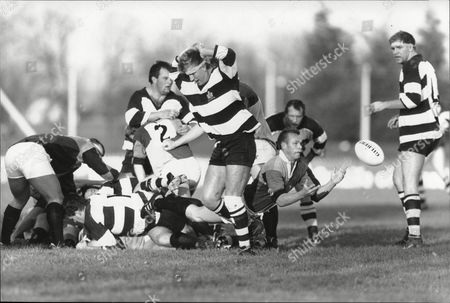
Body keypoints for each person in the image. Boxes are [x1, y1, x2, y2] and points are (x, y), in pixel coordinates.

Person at [164, 43, 260, 254]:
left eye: (194, 72)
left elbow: (231, 54)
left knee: (233, 198)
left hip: (241, 139)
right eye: (187, 74)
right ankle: (248, 222)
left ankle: (246, 247)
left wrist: (205, 49)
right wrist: (176, 142)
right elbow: (173, 70)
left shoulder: (224, 74)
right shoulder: (187, 83)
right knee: (209, 199)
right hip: (221, 144)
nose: (192, 78)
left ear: (205, 65)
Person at [368, 31, 441, 248]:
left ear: (410, 46)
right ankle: (411, 230)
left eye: (399, 47)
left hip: (420, 132)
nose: (394, 52)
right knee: (398, 179)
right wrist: (401, 118)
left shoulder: (410, 66)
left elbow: (411, 99)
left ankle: (416, 238)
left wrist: (382, 105)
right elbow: (424, 100)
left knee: (409, 182)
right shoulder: (423, 64)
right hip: (422, 129)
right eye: (392, 48)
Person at [1, 134, 117, 247]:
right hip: (32, 151)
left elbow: (66, 186)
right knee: (56, 198)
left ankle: (4, 241)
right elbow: (106, 173)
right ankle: (57, 244)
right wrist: (121, 178)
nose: (97, 157)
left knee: (20, 199)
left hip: (13, 151)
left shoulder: (65, 156)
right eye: (97, 153)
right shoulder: (86, 144)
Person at [244, 129, 346, 248]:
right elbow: (280, 201)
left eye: (301, 143)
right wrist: (302, 193)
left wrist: (333, 182)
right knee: (237, 239)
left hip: (260, 212)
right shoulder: (274, 166)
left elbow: (315, 195)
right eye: (295, 143)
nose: (300, 147)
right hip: (243, 208)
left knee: (260, 244)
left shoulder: (301, 166)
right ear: (283, 145)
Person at [265, 99, 328, 247]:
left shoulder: (310, 126)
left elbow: (322, 139)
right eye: (291, 116)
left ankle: (313, 234)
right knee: (270, 199)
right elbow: (257, 137)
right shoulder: (272, 123)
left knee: (309, 194)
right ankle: (268, 237)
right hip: (273, 165)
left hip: (296, 164)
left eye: (298, 117)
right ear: (285, 114)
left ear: (303, 116)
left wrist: (308, 158)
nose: (294, 120)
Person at [120, 61, 182, 178]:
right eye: (165, 78)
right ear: (154, 79)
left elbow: (194, 121)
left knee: (171, 189)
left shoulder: (177, 100)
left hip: (166, 154)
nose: (170, 81)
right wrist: (160, 114)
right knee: (125, 188)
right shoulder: (139, 96)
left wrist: (186, 128)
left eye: (171, 79)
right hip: (135, 154)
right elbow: (132, 118)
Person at [132, 97, 200, 197]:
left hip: (169, 171)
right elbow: (196, 126)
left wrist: (143, 183)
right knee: (185, 201)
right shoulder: (176, 122)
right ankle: (183, 183)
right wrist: (189, 127)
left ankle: (179, 183)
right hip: (193, 167)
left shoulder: (140, 132)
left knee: (139, 189)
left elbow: (138, 163)